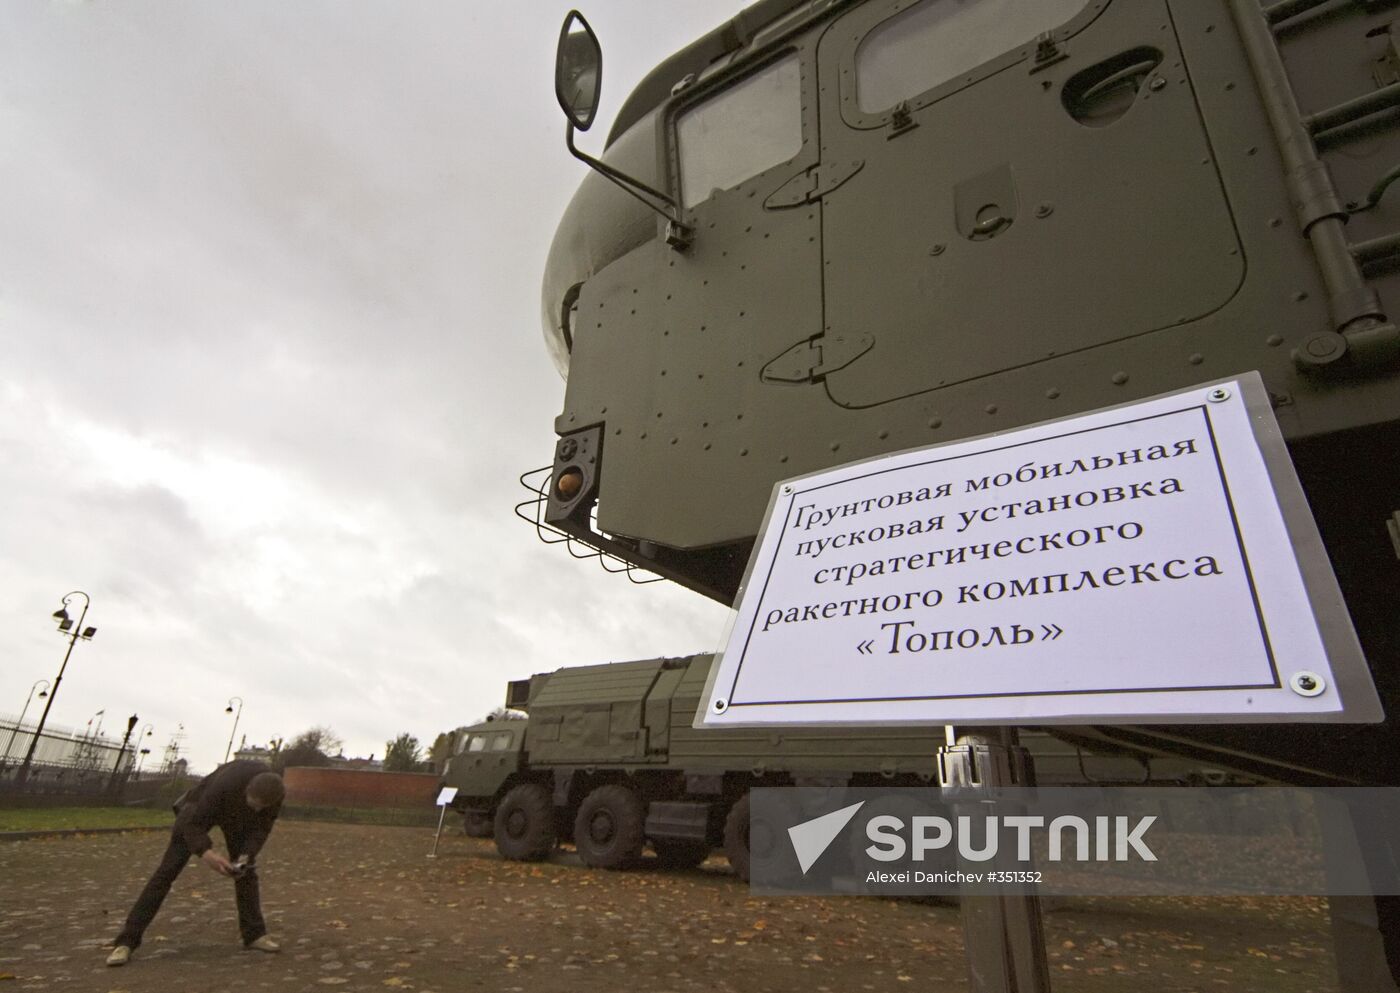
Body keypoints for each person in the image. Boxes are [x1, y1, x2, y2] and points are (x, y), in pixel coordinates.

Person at [106, 760, 285, 966]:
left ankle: (254, 934)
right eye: (253, 803)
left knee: (246, 872)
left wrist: (246, 855)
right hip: (198, 810)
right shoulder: (225, 785)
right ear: (246, 790)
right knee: (167, 872)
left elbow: (261, 829)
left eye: (260, 807)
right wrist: (206, 853)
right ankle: (127, 941)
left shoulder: (275, 797)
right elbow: (194, 825)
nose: (256, 809)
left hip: (238, 819)